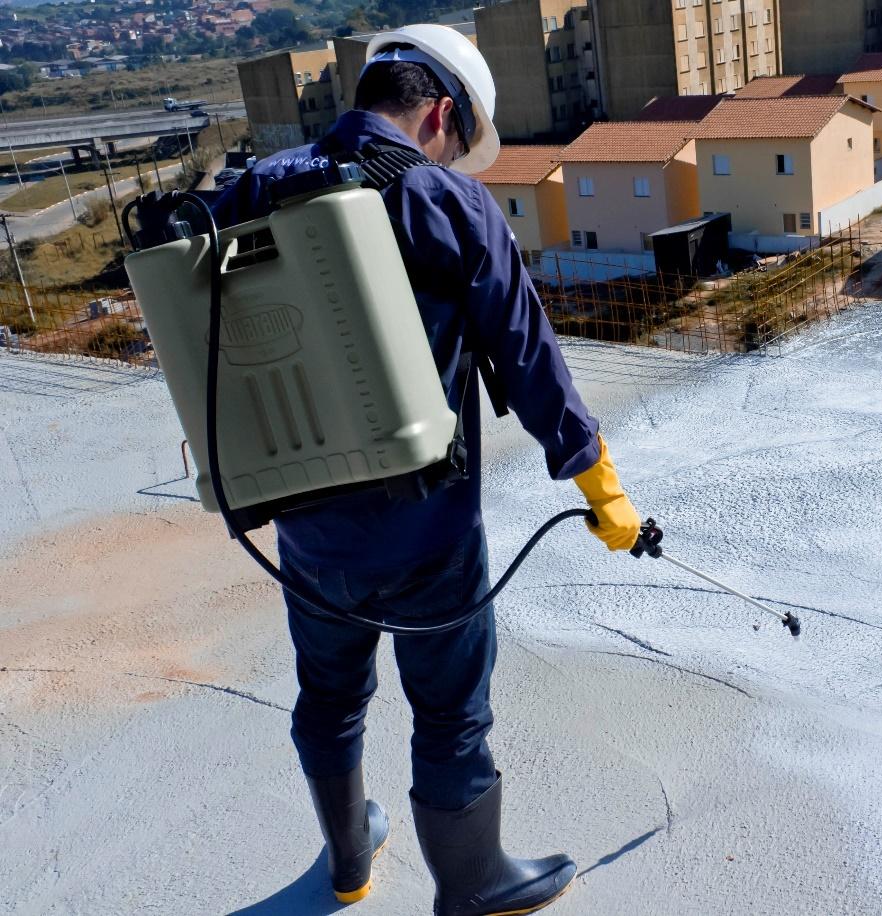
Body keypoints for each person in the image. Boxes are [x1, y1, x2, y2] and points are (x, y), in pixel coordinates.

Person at [214, 24, 641, 916]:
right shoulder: (443, 199)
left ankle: (348, 864)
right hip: (428, 530)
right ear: (441, 112)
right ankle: (472, 881)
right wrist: (600, 490)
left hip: (306, 523)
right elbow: (529, 360)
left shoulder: (258, 186)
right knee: (449, 709)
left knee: (329, 696)